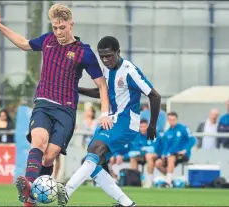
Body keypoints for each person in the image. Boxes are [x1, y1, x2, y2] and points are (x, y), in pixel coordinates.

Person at [0, 3, 112, 206]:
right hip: (44, 103)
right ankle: (28, 187)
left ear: (71, 25)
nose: (58, 32)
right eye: (55, 27)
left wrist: (105, 113)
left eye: (62, 27)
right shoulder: (47, 40)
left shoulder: (84, 52)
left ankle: (33, 196)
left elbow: (101, 85)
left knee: (49, 157)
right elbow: (23, 43)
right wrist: (0, 27)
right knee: (38, 140)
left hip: (66, 109)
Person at [56, 36, 161, 207]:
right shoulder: (107, 70)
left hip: (126, 122)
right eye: (102, 56)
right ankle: (127, 203)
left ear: (118, 52)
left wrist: (152, 125)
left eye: (109, 56)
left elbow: (155, 96)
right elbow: (101, 92)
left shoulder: (129, 70)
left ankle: (66, 192)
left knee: (95, 150)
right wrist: (75, 88)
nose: (105, 60)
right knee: (92, 162)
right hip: (111, 120)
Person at [155, 112, 197, 186]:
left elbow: (192, 140)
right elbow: (166, 145)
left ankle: (168, 182)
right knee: (158, 163)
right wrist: (164, 154)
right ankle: (172, 179)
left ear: (177, 120)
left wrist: (185, 149)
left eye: (173, 120)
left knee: (171, 158)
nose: (172, 121)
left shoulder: (183, 128)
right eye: (170, 120)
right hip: (171, 155)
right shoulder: (167, 132)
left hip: (183, 154)